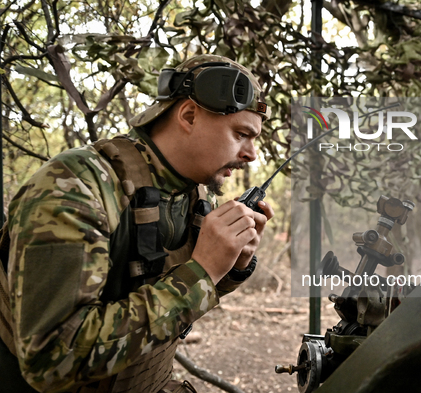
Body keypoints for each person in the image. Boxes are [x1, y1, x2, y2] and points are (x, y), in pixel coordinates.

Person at [0, 54, 274, 393]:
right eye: (241, 134)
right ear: (188, 115)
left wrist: (230, 267)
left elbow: (168, 308)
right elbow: (51, 361)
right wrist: (201, 273)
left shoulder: (195, 197)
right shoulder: (75, 187)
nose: (251, 154)